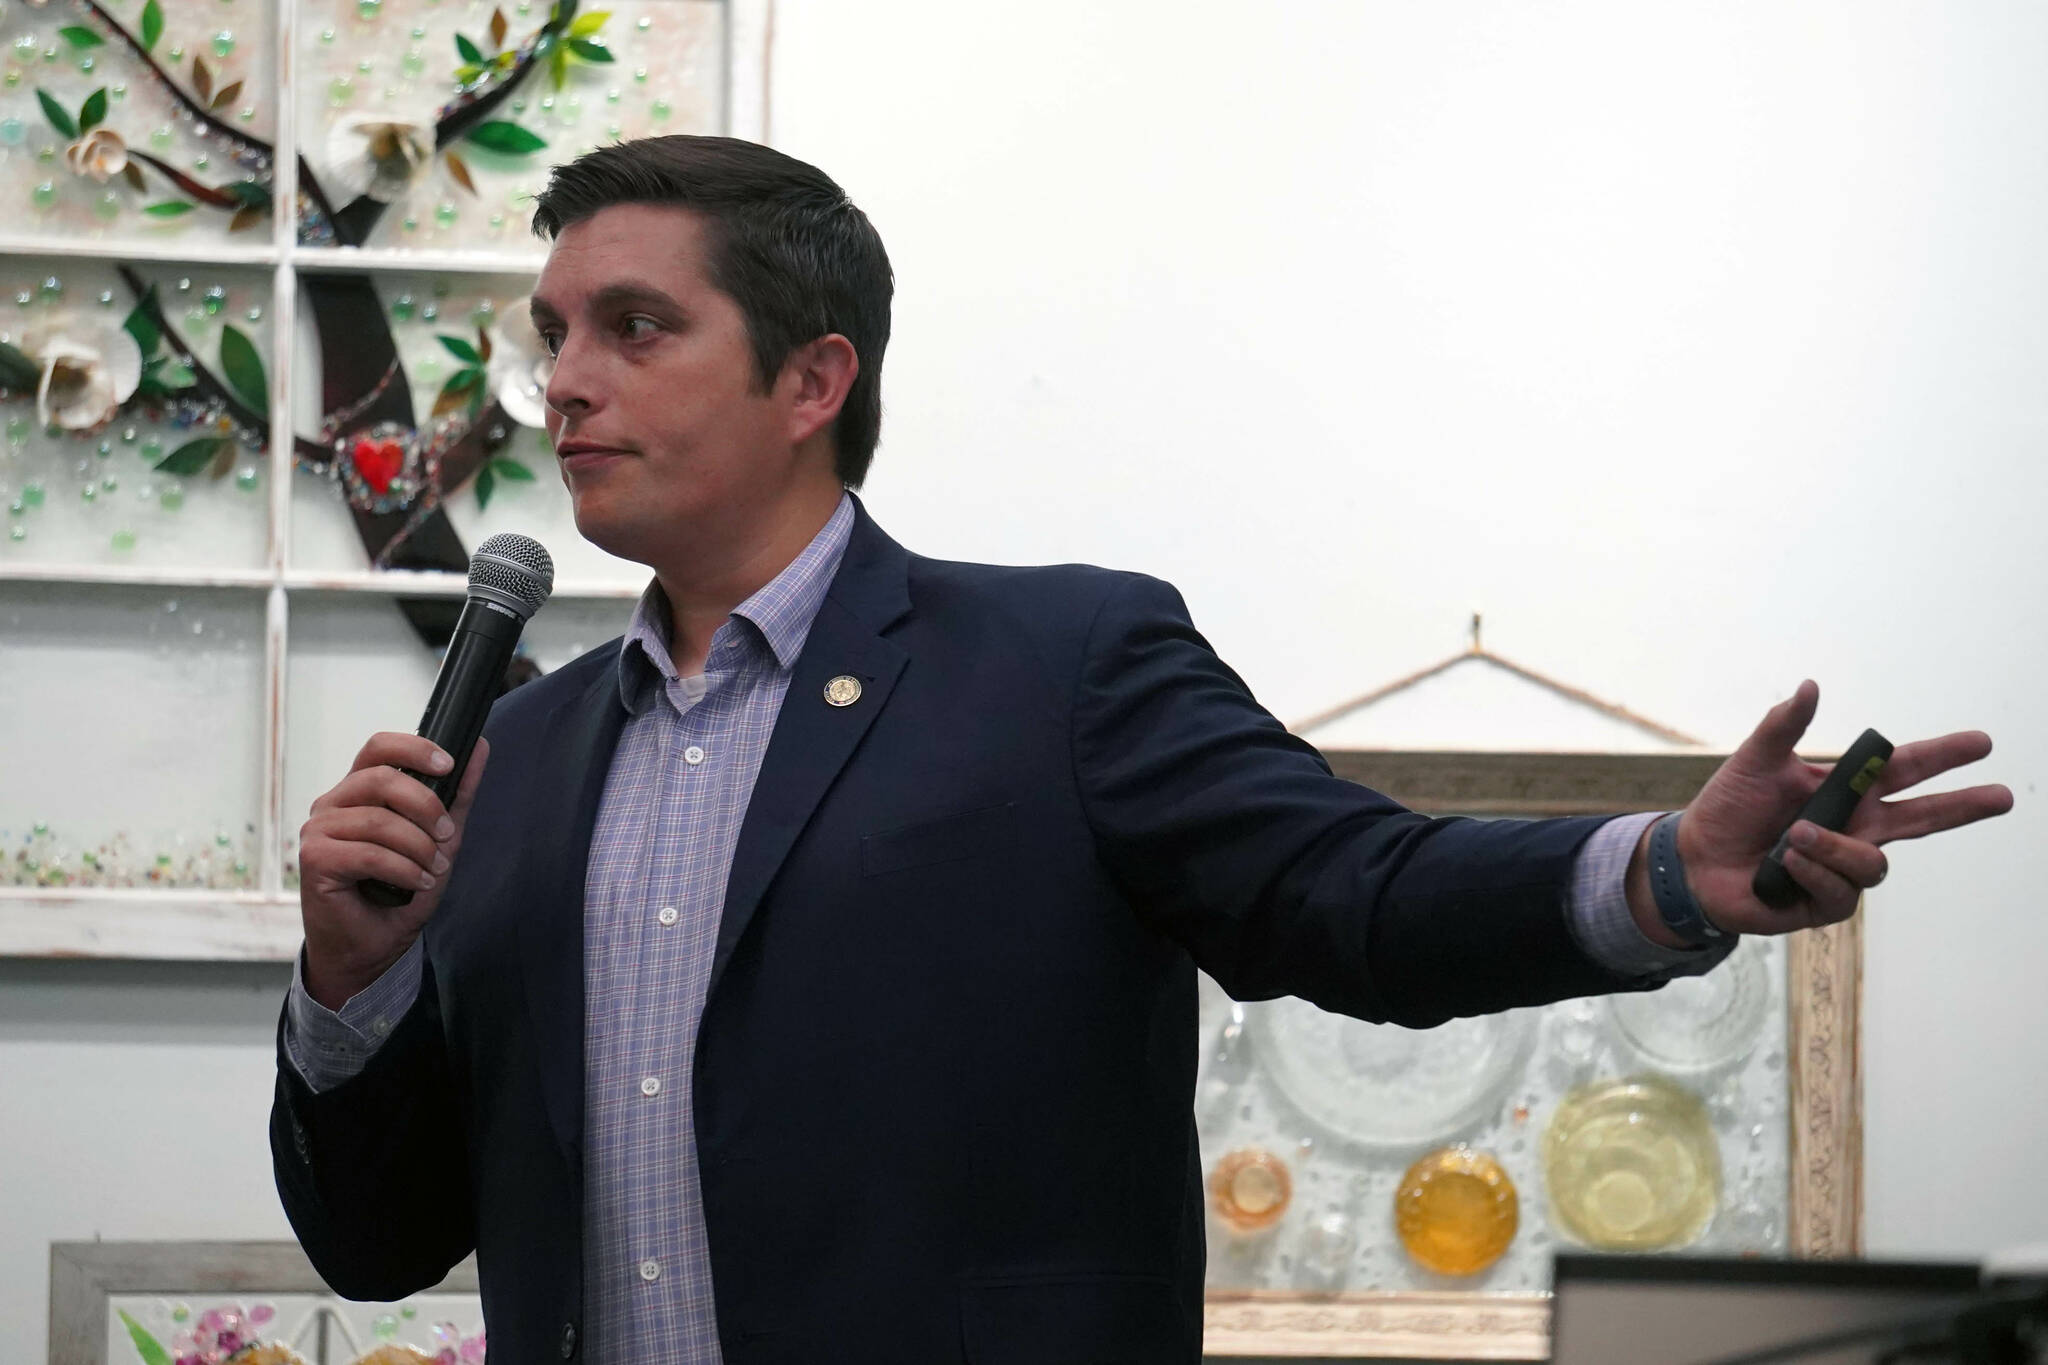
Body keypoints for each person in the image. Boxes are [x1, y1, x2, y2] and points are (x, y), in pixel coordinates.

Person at [270, 136, 2012, 1364]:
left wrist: (1659, 867)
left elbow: (1356, 894)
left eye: (633, 328)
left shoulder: (1059, 664)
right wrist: (350, 989)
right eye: (552, 334)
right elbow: (381, 1241)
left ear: (814, 381)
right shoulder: (529, 747)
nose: (564, 381)